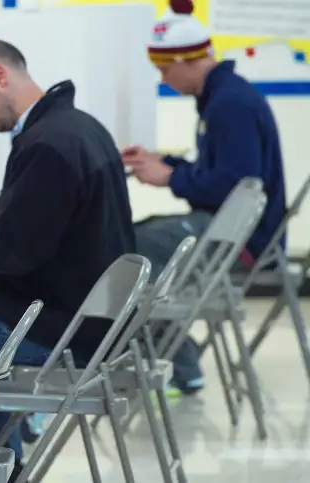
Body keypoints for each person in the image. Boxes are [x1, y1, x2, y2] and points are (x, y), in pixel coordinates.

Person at [0, 39, 136, 480]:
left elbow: (13, 251)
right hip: (83, 318)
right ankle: (2, 462)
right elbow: (53, 216)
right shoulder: (77, 128)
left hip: (54, 328)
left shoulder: (46, 144)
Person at [121, 0, 287, 395]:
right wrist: (167, 163)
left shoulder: (229, 103)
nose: (164, 78)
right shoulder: (223, 96)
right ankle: (179, 354)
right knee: (135, 239)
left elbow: (233, 185)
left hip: (245, 239)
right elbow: (221, 171)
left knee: (129, 248)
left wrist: (171, 178)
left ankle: (179, 362)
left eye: (165, 69)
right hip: (231, 228)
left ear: (187, 59)